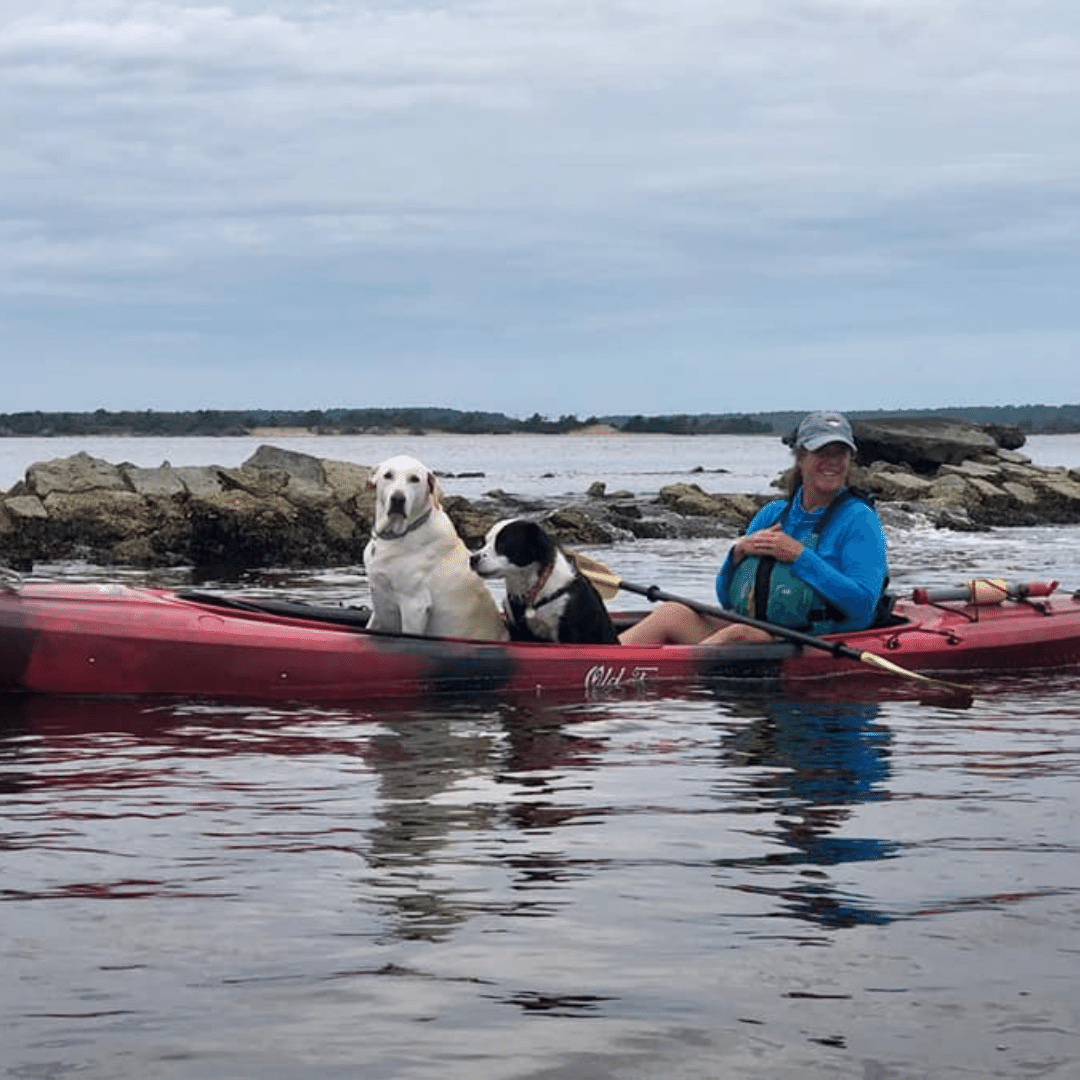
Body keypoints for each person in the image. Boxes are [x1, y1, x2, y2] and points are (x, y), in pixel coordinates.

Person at [619, 410, 888, 646]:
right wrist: (737, 554)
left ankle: (669, 672)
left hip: (815, 639)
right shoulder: (772, 514)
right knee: (673, 612)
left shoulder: (859, 519)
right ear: (801, 458)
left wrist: (800, 557)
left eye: (840, 453)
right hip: (761, 630)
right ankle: (607, 661)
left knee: (738, 634)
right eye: (822, 452)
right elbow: (727, 600)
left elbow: (863, 604)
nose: (832, 462)